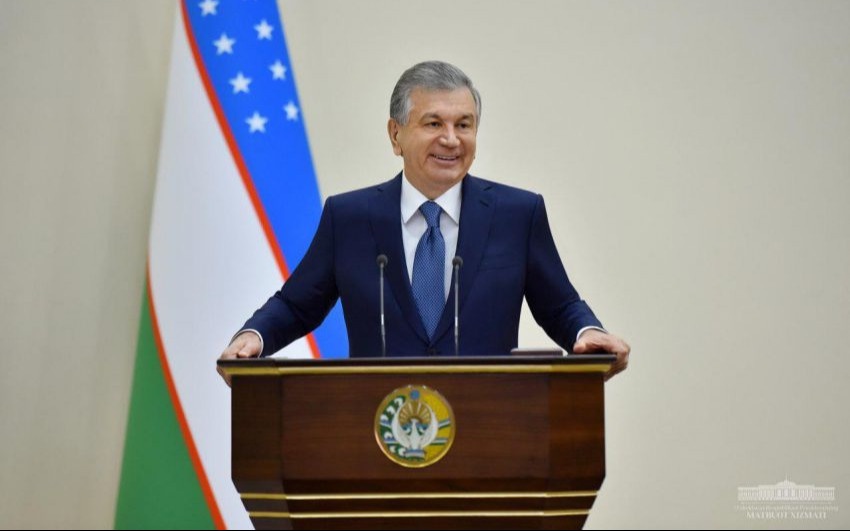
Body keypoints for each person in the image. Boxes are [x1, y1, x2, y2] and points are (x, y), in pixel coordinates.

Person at [218, 61, 629, 382]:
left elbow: (559, 305)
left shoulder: (517, 214)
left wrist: (587, 333)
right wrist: (253, 337)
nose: (451, 139)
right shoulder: (349, 218)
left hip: (489, 427)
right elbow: (297, 305)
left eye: (463, 125)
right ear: (395, 135)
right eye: (434, 123)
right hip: (377, 428)